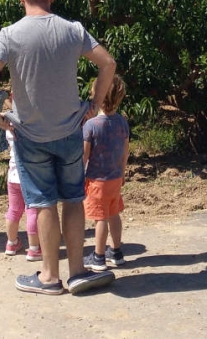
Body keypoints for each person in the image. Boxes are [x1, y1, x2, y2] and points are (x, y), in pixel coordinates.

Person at [0, 0, 117, 296]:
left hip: (30, 134)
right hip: (70, 131)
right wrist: (94, 104)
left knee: (42, 204)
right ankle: (78, 272)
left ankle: (49, 276)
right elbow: (108, 64)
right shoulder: (73, 30)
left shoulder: (9, 35)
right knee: (73, 200)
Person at [81, 75, 130, 271]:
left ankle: (98, 256)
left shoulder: (91, 125)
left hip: (96, 180)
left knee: (100, 218)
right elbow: (125, 152)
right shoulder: (122, 122)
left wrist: (78, 175)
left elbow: (84, 155)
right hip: (115, 177)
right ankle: (116, 252)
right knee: (113, 213)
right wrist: (123, 172)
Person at [5, 128, 41, 261]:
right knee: (32, 211)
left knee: (13, 210)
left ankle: (11, 243)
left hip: (13, 175)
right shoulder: (30, 126)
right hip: (31, 175)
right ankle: (34, 248)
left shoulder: (9, 126)